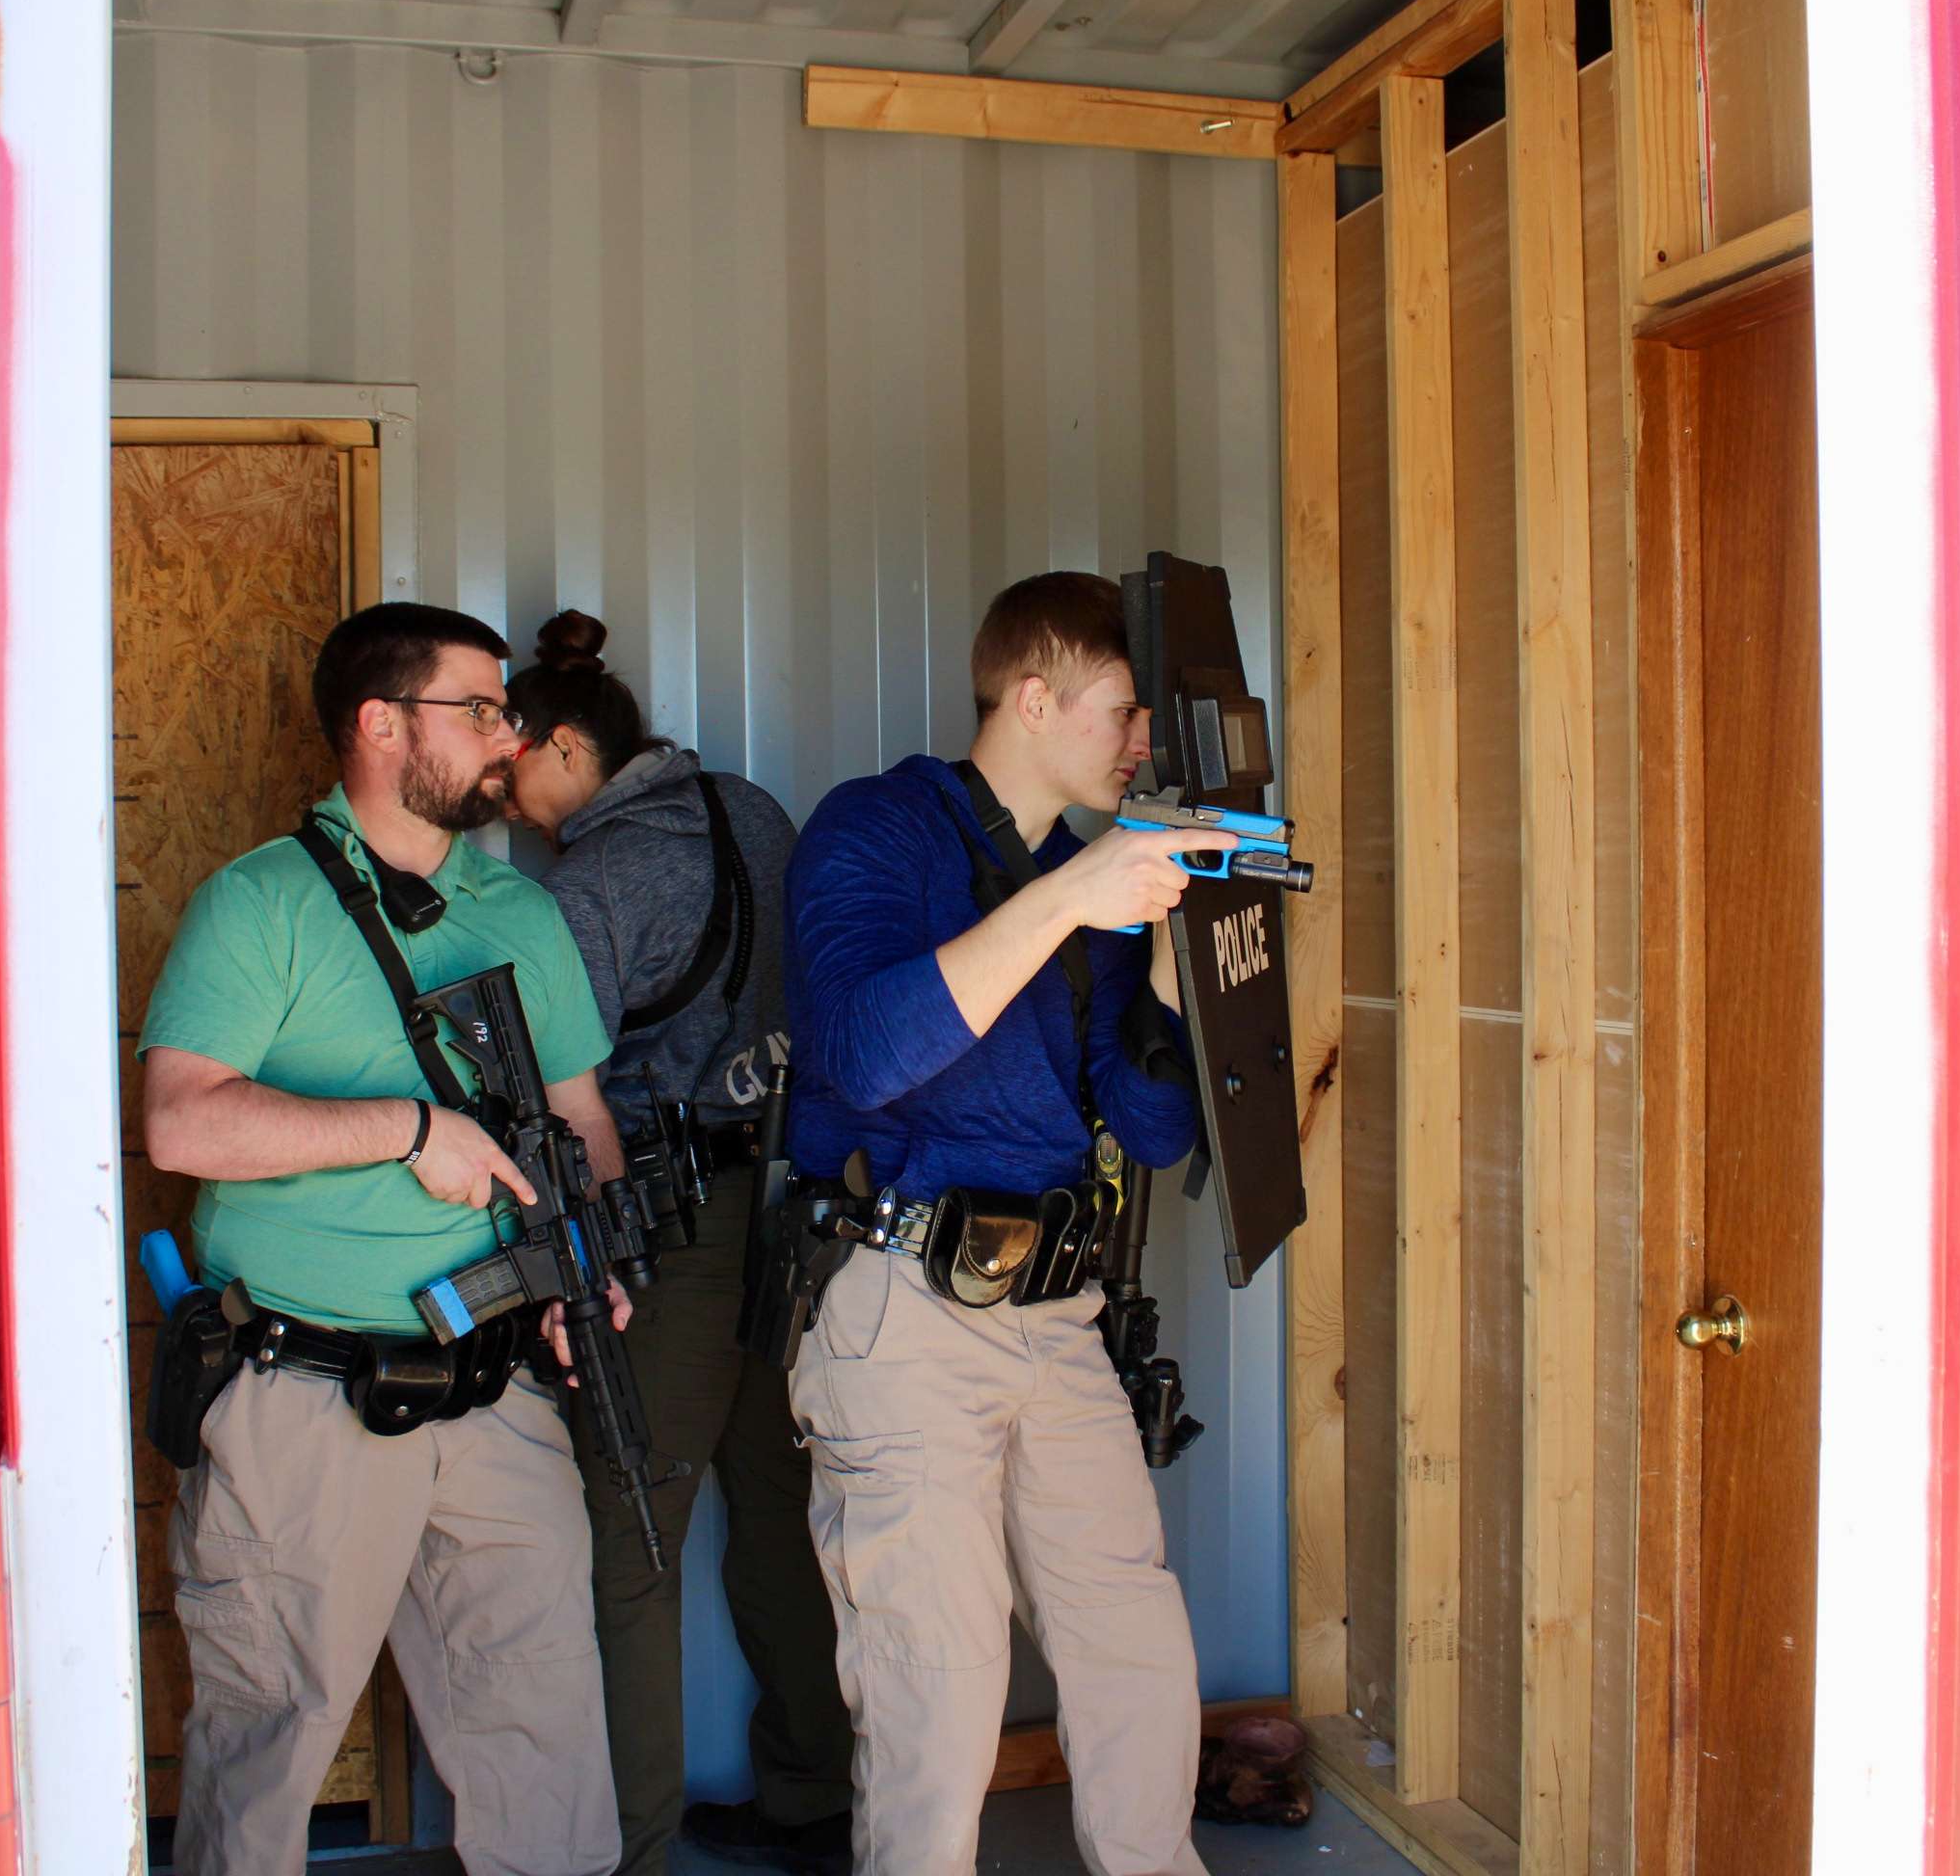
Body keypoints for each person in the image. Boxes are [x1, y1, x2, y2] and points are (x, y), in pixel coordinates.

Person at [140, 603, 634, 1876]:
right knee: (267, 1756)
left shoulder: (523, 915)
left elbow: (581, 1116)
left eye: (507, 714)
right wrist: (408, 1130)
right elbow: (183, 1124)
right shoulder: (260, 905)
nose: (506, 737)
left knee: (546, 1748)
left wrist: (591, 1268)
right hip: (305, 1399)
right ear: (380, 724)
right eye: (478, 711)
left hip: (500, 1391)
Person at [780, 572, 1230, 1876]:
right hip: (904, 1307)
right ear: (1034, 699)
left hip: (1058, 1317)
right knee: (940, 1688)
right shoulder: (875, 829)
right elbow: (861, 1055)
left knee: (1135, 1647)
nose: (1140, 745)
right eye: (1122, 712)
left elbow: (1150, 1136)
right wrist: (1069, 903)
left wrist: (1154, 974)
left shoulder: (1081, 881)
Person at [504, 610, 854, 1876]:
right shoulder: (753, 812)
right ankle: (815, 1797)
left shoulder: (587, 889)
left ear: (559, 747)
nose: (506, 793)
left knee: (635, 1539)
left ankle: (626, 1850)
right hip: (792, 1205)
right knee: (775, 1503)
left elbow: (563, 1087)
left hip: (669, 1226)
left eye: (512, 763)